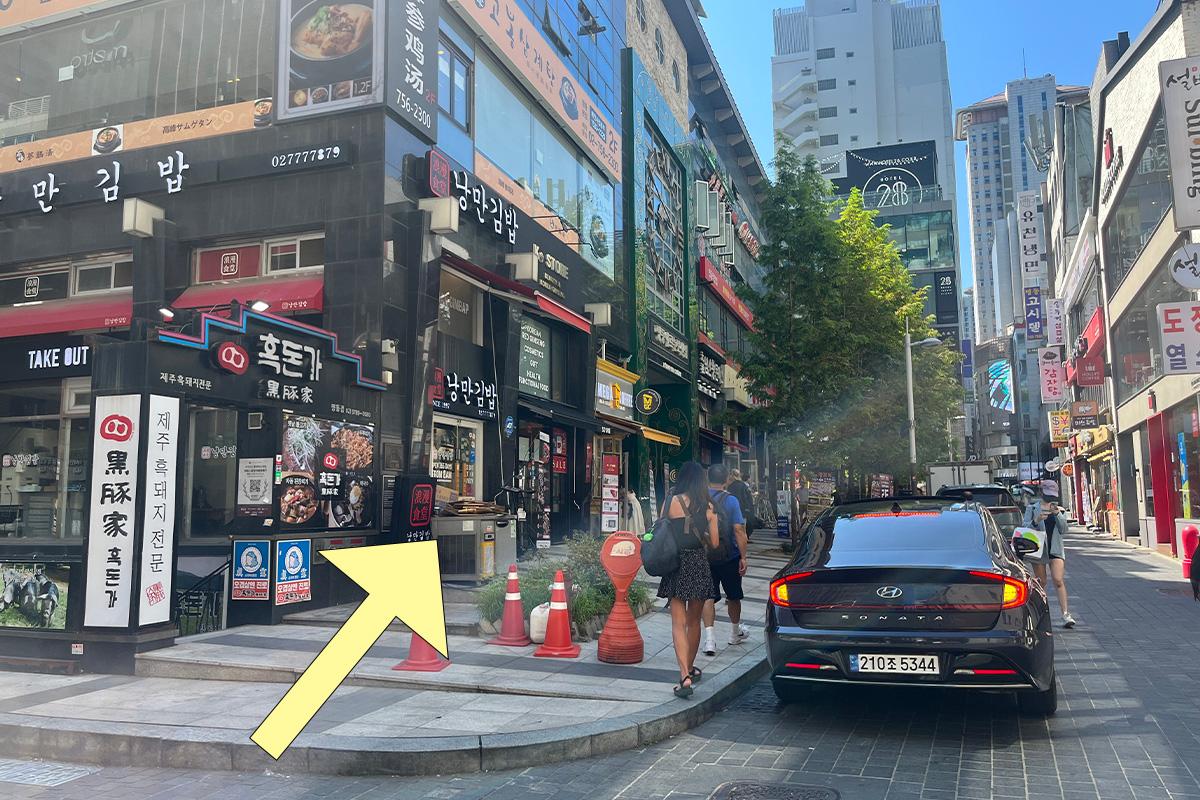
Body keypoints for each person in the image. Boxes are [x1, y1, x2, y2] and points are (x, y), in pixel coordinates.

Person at [656, 461, 720, 699]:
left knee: (678, 623)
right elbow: (715, 543)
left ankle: (684, 676)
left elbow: (661, 530)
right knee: (694, 622)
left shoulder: (670, 502)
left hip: (675, 563)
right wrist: (702, 533)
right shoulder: (709, 506)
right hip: (698, 563)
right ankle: (690, 668)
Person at [702, 464, 750, 656]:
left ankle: (709, 640)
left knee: (708, 596)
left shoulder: (700, 498)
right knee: (733, 596)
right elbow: (738, 530)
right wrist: (743, 557)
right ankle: (734, 634)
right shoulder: (731, 501)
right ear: (727, 480)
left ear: (708, 479)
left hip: (706, 554)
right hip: (729, 555)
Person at [1022, 481, 1076, 628]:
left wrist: (1057, 513)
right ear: (1041, 493)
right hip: (1039, 549)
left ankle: (1066, 614)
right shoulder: (1032, 508)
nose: (1050, 498)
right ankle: (1039, 613)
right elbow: (1024, 527)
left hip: (1055, 549)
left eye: (1052, 495)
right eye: (1048, 495)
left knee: (1058, 580)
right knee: (1041, 582)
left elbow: (1064, 529)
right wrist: (1036, 520)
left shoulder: (1059, 510)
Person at [727, 468, 757, 538]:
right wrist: (748, 508)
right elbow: (747, 498)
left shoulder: (730, 486)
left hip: (732, 510)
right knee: (742, 529)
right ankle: (743, 540)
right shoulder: (743, 486)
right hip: (742, 510)